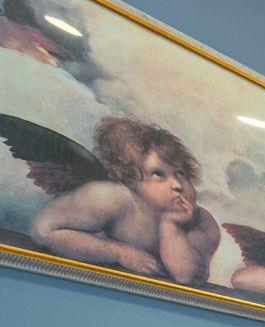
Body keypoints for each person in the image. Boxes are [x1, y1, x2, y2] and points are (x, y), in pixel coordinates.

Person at [26, 117, 221, 284]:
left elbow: (189, 277)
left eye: (181, 173)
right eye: (157, 174)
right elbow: (43, 230)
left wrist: (171, 226)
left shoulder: (200, 221)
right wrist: (120, 252)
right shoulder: (109, 197)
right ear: (129, 179)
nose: (177, 184)